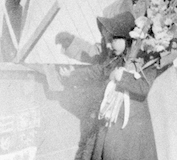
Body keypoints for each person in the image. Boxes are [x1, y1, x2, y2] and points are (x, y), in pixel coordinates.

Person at [59, 11, 160, 160]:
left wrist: (122, 77)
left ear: (127, 38)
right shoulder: (114, 60)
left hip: (131, 131)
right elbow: (95, 72)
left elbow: (143, 87)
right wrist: (72, 76)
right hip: (111, 126)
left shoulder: (144, 59)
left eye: (111, 40)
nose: (107, 45)